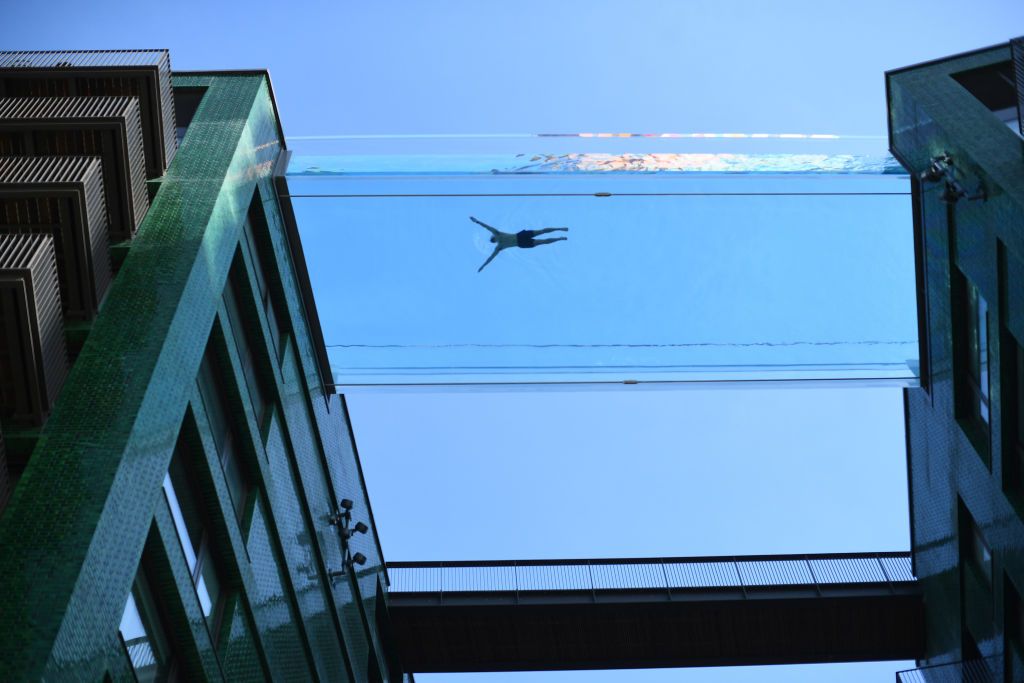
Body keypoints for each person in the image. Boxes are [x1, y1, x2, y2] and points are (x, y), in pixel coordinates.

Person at [470, 216, 568, 272]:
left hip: (520, 238)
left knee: (541, 233)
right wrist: (483, 266)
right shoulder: (499, 245)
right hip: (521, 241)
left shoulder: (498, 239)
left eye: (493, 238)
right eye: (493, 238)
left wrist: (477, 221)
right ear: (494, 239)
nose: (494, 238)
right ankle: (559, 237)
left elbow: (487, 227)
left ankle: (559, 230)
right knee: (542, 240)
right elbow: (491, 257)